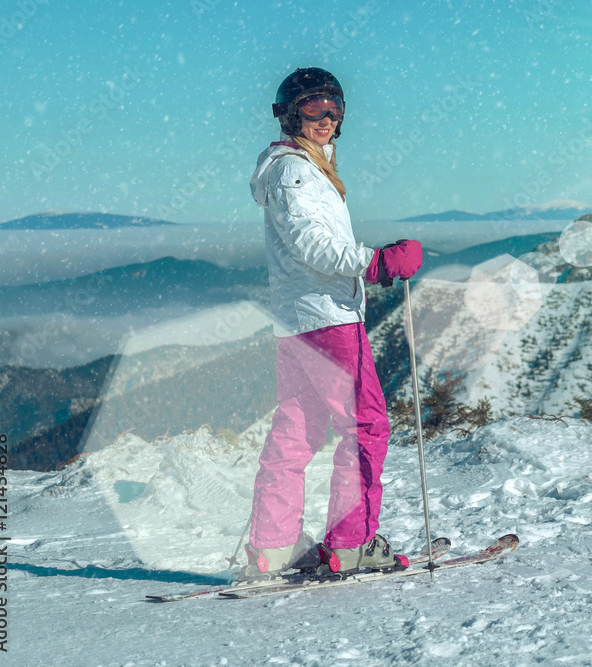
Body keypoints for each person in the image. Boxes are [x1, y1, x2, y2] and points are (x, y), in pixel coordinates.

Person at [241, 67, 423, 581]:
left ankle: (272, 547)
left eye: (335, 107)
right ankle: (352, 543)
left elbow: (305, 245)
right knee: (366, 426)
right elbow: (309, 243)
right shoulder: (295, 170)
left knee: (296, 431)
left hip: (294, 321)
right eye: (314, 107)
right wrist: (376, 263)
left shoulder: (295, 168)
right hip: (327, 317)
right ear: (289, 113)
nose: (327, 117)